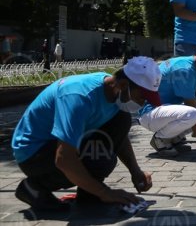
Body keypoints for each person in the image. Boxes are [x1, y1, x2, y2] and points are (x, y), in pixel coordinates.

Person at [11, 57, 161, 210]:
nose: (143, 104)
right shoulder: (79, 97)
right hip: (33, 153)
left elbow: (119, 138)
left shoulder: (114, 93)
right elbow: (64, 158)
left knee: (121, 121)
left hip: (60, 144)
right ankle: (33, 187)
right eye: (142, 97)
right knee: (100, 157)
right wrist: (105, 192)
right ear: (123, 85)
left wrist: (135, 171)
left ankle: (89, 194)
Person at [138, 43, 196, 158]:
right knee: (192, 114)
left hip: (167, 110)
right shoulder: (184, 70)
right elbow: (192, 109)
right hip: (149, 114)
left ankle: (174, 138)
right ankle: (160, 139)